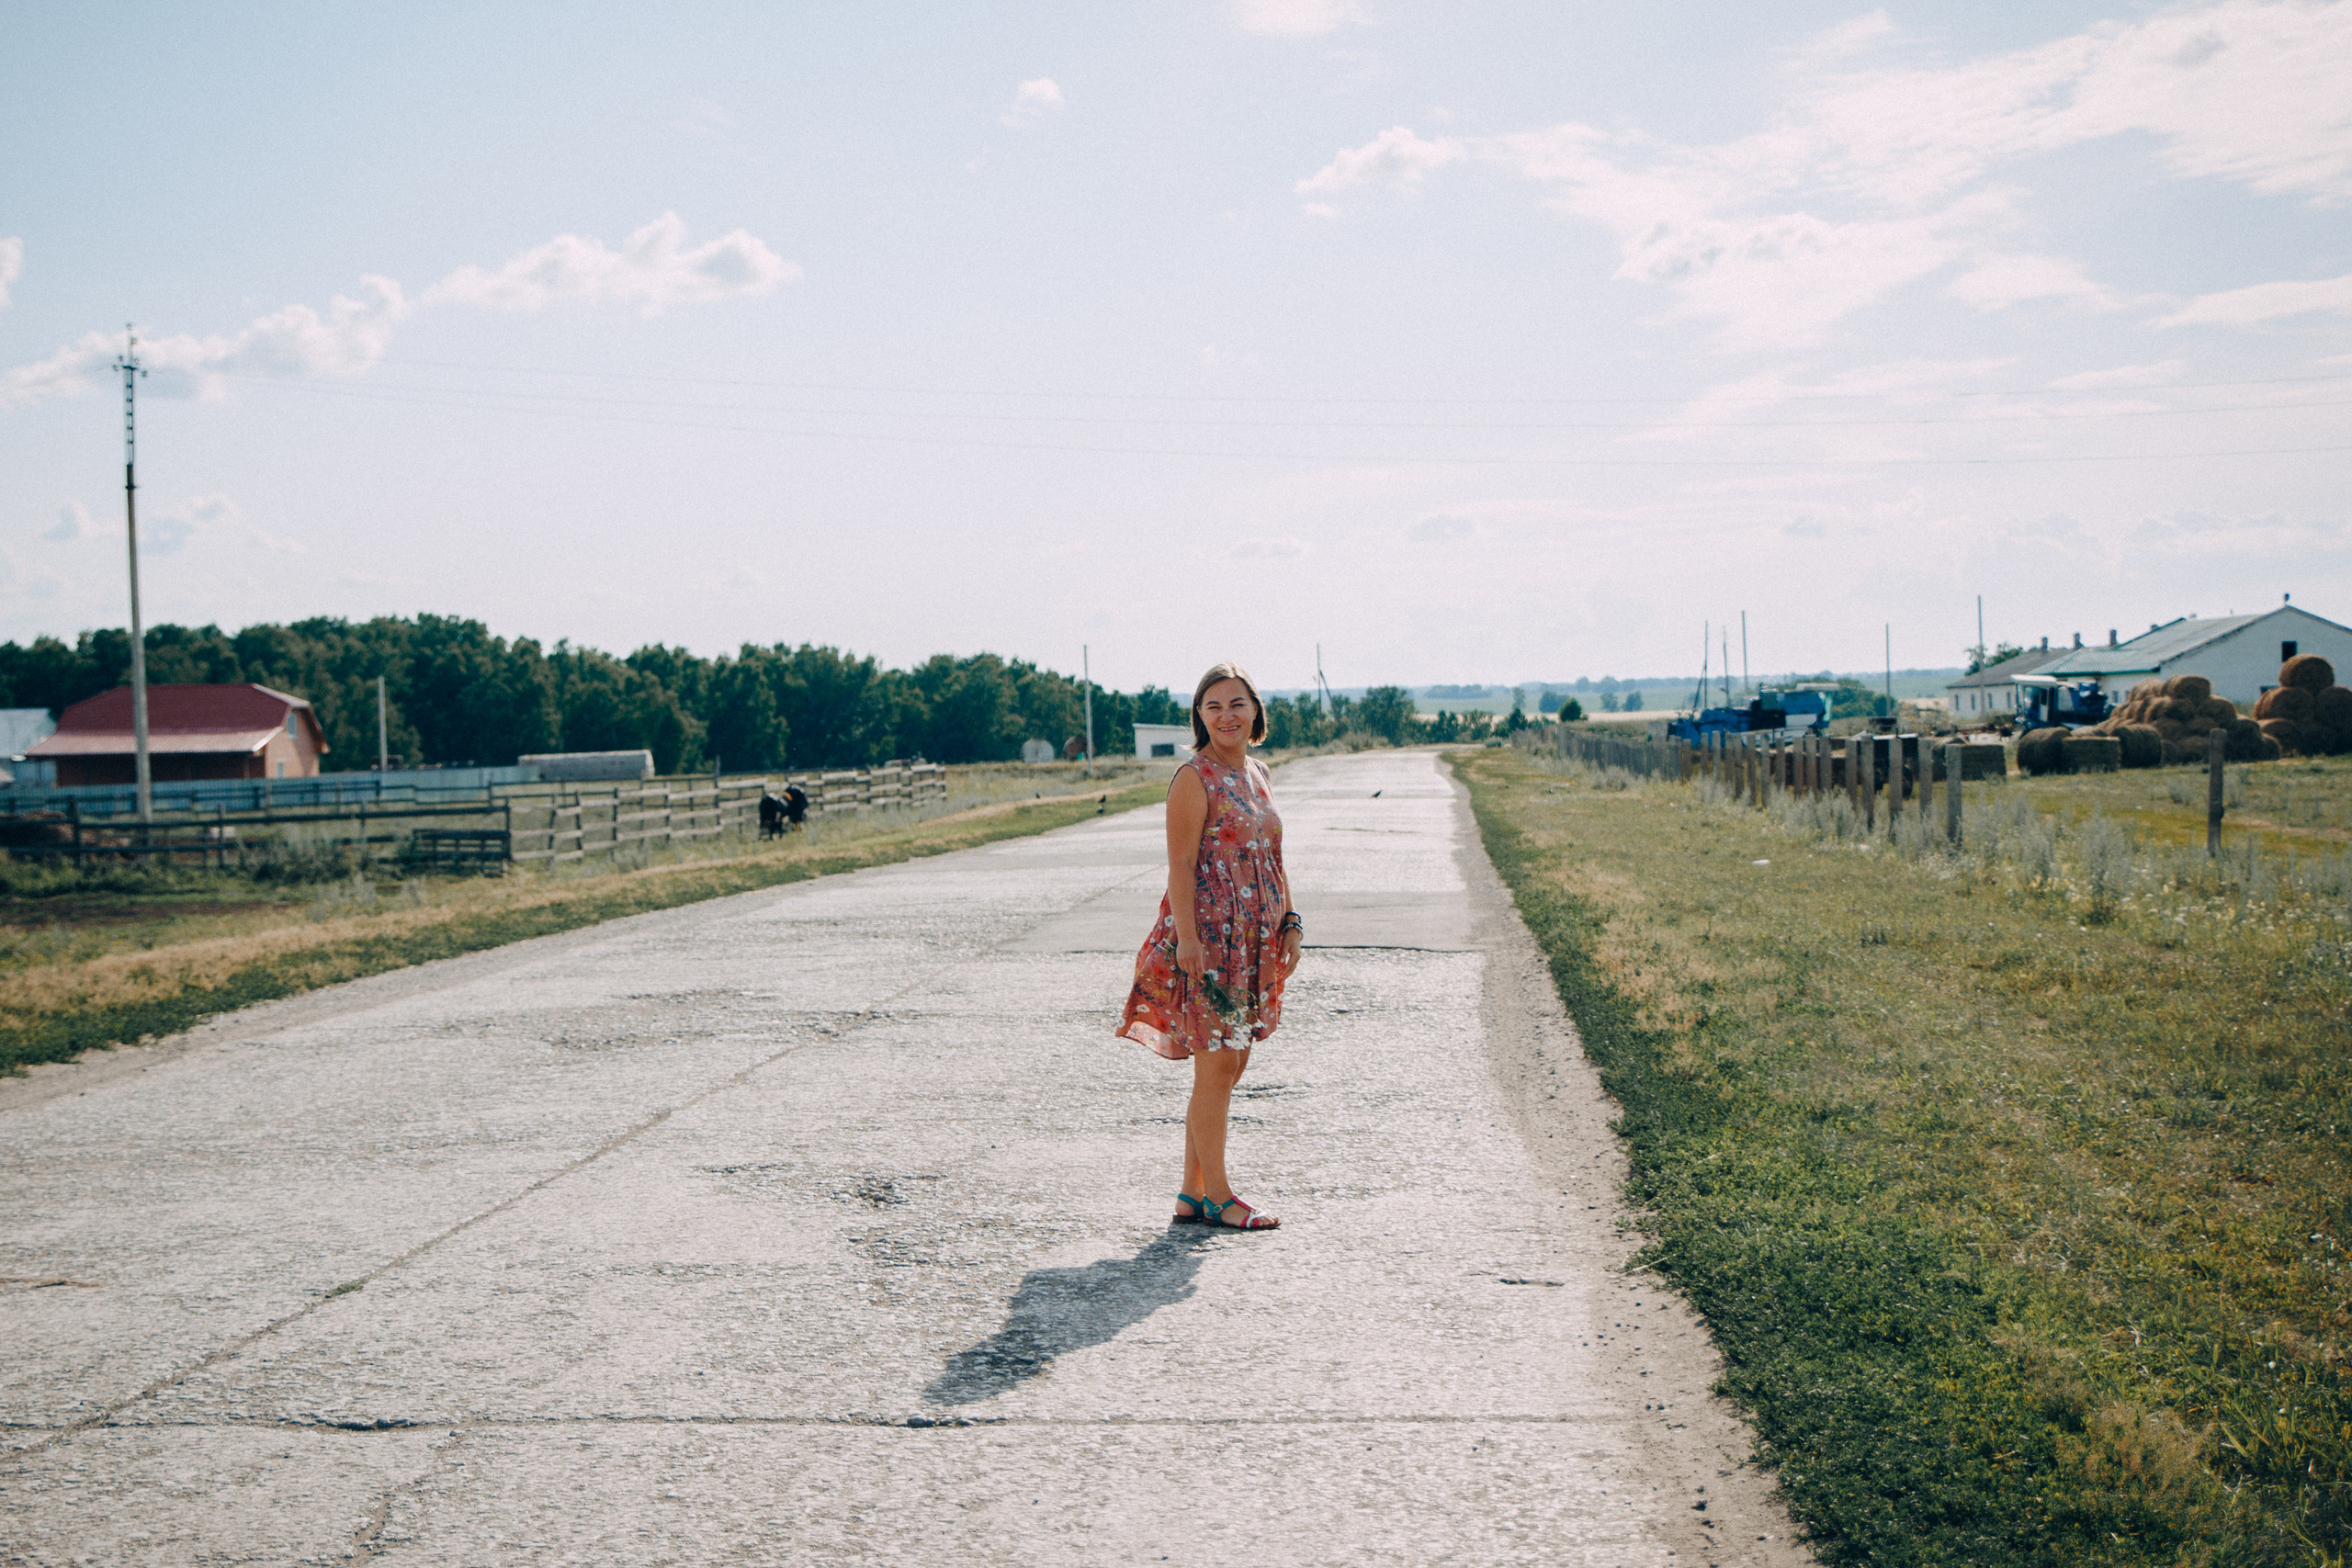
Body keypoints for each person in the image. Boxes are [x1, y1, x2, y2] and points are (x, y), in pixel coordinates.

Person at [1117, 661, 1304, 1231]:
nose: (1226, 715)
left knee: (1229, 1063)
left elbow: (1271, 855)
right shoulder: (1192, 779)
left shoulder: (1259, 772)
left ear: (1256, 713)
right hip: (1210, 942)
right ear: (1199, 716)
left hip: (1254, 942)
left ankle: (1192, 1193)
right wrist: (1190, 944)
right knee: (1219, 1064)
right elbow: (1179, 866)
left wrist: (1290, 920)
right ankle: (1220, 1197)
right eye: (1213, 706)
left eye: (1237, 704)